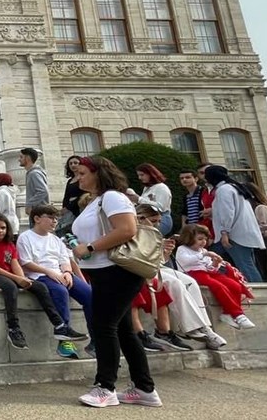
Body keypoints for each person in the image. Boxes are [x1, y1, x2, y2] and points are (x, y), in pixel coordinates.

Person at [69, 156, 160, 408]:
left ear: (98, 173)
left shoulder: (112, 197)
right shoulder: (98, 200)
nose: (79, 178)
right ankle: (144, 388)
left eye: (83, 173)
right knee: (122, 330)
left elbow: (127, 229)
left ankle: (105, 387)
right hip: (103, 271)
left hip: (116, 270)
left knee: (103, 327)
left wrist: (89, 247)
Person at [133, 202, 227, 350]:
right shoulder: (133, 232)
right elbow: (136, 259)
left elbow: (159, 261)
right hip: (143, 270)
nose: (157, 225)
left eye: (158, 221)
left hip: (155, 267)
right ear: (140, 218)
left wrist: (164, 253)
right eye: (153, 221)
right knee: (173, 283)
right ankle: (192, 328)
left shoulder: (153, 233)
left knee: (190, 282)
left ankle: (204, 327)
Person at [0, 212, 72, 351]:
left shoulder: (9, 244)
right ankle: (13, 328)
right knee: (10, 287)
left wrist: (24, 279)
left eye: (3, 228)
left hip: (10, 274)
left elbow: (15, 264)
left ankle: (59, 325)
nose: (0, 231)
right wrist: (17, 279)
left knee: (39, 287)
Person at [16, 204, 92, 358]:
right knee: (60, 291)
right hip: (39, 275)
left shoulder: (56, 239)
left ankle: (96, 339)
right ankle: (64, 340)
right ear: (37, 219)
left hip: (60, 274)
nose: (54, 221)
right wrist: (49, 272)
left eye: (56, 218)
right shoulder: (25, 237)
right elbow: (26, 262)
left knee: (89, 295)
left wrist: (67, 272)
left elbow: (65, 259)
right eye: (50, 218)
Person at [175, 223, 256, 330]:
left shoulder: (203, 251)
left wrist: (215, 263)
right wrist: (204, 255)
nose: (203, 242)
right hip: (192, 274)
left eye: (205, 239)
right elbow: (185, 261)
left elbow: (209, 267)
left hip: (206, 273)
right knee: (218, 286)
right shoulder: (182, 249)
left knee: (235, 285)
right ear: (189, 238)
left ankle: (228, 313)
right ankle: (238, 314)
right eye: (200, 239)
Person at [203, 165, 264, 283]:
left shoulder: (223, 190)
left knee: (245, 265)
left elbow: (227, 212)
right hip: (243, 231)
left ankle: (260, 292)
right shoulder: (234, 187)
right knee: (244, 263)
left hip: (234, 234)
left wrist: (224, 232)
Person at [136, 164, 173, 236]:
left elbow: (161, 207)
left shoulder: (161, 187)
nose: (139, 178)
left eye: (142, 175)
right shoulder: (147, 188)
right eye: (139, 175)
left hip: (161, 218)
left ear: (150, 174)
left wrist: (139, 199)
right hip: (148, 218)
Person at [20, 148, 49, 220]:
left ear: (27, 158)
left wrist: (29, 204)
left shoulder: (34, 174)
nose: (19, 159)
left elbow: (43, 191)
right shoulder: (33, 173)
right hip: (38, 212)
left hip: (38, 213)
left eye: (21, 157)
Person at [58, 155, 84, 232]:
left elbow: (82, 194)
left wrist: (69, 207)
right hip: (69, 210)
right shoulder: (70, 181)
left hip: (80, 207)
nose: (73, 165)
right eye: (71, 163)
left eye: (75, 163)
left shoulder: (83, 178)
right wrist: (64, 207)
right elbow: (66, 196)